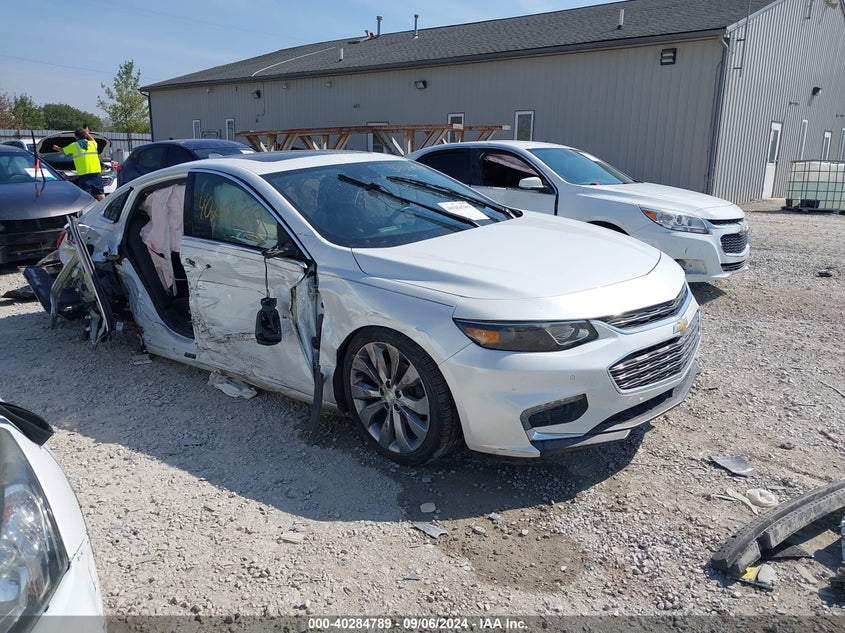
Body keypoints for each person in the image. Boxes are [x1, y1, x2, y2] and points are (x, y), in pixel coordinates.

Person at [53, 126, 104, 200]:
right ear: (85, 136)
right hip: (96, 173)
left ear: (76, 137)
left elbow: (63, 151)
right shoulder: (92, 144)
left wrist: (55, 147)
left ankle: (88, 211)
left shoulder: (75, 145)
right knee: (100, 194)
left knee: (86, 196)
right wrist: (87, 133)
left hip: (84, 175)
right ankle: (106, 210)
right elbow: (93, 140)